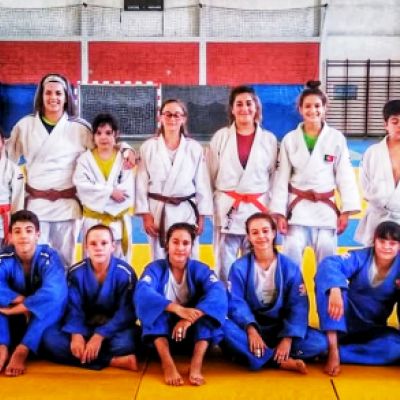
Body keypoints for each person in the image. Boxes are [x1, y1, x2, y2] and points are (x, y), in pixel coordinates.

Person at [6, 73, 136, 269]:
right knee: (35, 261)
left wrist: (126, 148)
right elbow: (7, 157)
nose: (53, 97)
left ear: (66, 97)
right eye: (48, 93)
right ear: (41, 96)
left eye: (58, 93)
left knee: (65, 261)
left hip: (67, 206)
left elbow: (104, 144)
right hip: (36, 204)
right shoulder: (25, 126)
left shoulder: (80, 127)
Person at [270, 80, 360, 269]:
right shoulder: (289, 140)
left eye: (317, 106)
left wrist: (346, 211)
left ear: (325, 108)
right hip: (297, 210)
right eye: (308, 106)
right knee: (291, 261)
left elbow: (345, 176)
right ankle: (294, 290)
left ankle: (326, 289)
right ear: (300, 109)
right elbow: (281, 178)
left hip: (325, 211)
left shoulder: (336, 138)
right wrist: (279, 213)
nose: (313, 110)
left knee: (328, 264)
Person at [222, 213, 327, 373]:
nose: (261, 236)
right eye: (255, 232)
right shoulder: (239, 267)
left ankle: (258, 356)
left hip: (280, 329)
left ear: (273, 233)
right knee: (222, 327)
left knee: (320, 342)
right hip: (249, 328)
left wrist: (287, 338)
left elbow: (298, 306)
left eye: (265, 231)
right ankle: (278, 360)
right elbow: (236, 303)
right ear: (249, 237)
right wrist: (251, 329)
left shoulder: (289, 267)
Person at [134, 222, 227, 386]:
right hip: (163, 335)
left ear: (191, 246)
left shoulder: (200, 269)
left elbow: (218, 292)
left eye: (185, 243)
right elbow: (143, 292)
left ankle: (196, 363)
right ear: (167, 244)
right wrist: (176, 309)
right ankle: (167, 363)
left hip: (193, 335)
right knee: (155, 311)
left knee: (206, 312)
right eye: (175, 242)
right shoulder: (155, 269)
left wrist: (189, 318)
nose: (180, 248)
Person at [42, 224, 139, 371]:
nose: (98, 248)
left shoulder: (125, 273)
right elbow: (73, 307)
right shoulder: (76, 273)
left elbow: (126, 313)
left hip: (113, 330)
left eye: (104, 243)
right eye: (93, 244)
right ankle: (112, 360)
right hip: (84, 327)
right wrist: (76, 334)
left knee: (125, 343)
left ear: (113, 246)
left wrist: (100, 335)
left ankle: (89, 355)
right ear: (86, 247)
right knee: (50, 338)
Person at [207, 86, 277, 282]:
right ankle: (224, 298)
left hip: (257, 208)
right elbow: (210, 174)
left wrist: (274, 209)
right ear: (232, 109)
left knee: (255, 265)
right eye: (239, 104)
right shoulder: (220, 137)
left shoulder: (269, 139)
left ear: (256, 107)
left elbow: (273, 177)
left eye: (249, 103)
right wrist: (209, 206)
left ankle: (252, 298)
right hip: (227, 208)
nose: (244, 108)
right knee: (223, 266)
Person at [315, 220, 400, 377]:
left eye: (392, 243)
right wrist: (335, 288)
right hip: (341, 319)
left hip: (372, 328)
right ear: (374, 240)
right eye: (382, 241)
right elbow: (329, 264)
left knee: (395, 348)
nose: (386, 247)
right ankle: (333, 350)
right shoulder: (361, 256)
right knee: (328, 283)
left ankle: (333, 352)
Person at [135, 99, 213, 261]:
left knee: (188, 254)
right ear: (160, 117)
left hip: (186, 211)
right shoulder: (148, 147)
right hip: (158, 210)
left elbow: (202, 184)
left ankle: (190, 279)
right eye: (168, 114)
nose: (172, 119)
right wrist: (145, 215)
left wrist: (202, 217)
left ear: (184, 119)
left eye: (177, 115)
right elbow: (141, 183)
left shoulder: (194, 148)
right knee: (159, 256)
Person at [0, 210, 67, 377]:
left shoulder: (49, 256)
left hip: (42, 318)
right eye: (17, 231)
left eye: (29, 230)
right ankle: (2, 346)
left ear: (38, 235)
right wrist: (19, 299)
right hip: (12, 318)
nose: (23, 236)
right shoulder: (4, 257)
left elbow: (54, 292)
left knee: (55, 301)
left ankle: (22, 349)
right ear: (10, 236)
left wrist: (25, 306)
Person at [73, 113, 134, 262]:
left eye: (108, 133)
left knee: (120, 265)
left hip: (118, 222)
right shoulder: (85, 159)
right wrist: (110, 192)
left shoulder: (124, 158)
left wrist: (103, 196)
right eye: (99, 133)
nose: (103, 137)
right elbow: (82, 187)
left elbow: (127, 193)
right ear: (93, 136)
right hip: (94, 221)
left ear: (116, 134)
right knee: (93, 263)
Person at [355, 99, 400, 246]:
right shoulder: (372, 152)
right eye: (395, 121)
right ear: (386, 125)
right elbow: (365, 184)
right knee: (374, 258)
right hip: (377, 216)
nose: (399, 126)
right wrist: (379, 200)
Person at [0, 126, 24, 249]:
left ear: (3, 142)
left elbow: (18, 202)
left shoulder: (13, 169)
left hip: (3, 224)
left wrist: (14, 229)